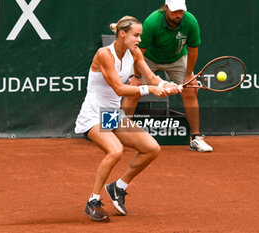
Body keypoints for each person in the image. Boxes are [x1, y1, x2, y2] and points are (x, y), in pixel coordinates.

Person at [75, 16, 180, 221]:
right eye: (136, 35)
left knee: (152, 149)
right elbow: (119, 88)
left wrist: (165, 86)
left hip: (111, 114)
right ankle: (93, 201)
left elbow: (151, 77)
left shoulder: (135, 53)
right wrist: (150, 89)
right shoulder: (104, 54)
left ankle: (118, 187)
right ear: (122, 34)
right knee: (115, 150)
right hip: (94, 114)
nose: (139, 40)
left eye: (140, 36)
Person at [121, 0, 213, 152]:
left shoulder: (190, 21)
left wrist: (189, 74)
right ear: (165, 8)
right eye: (175, 11)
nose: (178, 15)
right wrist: (137, 76)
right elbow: (139, 51)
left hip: (176, 59)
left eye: (181, 11)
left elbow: (193, 49)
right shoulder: (152, 22)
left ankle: (196, 138)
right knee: (133, 90)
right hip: (148, 59)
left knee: (191, 90)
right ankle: (121, 136)